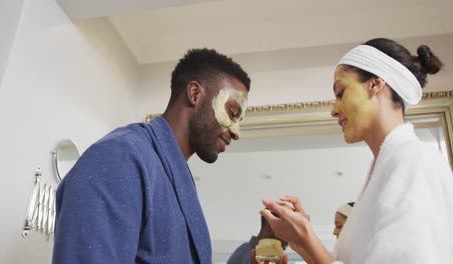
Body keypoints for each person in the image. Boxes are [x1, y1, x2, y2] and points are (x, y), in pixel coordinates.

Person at [260, 38, 453, 263]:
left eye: (340, 92)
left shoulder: (416, 161)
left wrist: (307, 237)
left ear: (376, 84)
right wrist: (302, 242)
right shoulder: (387, 171)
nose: (333, 110)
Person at [52, 48, 251, 263]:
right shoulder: (120, 157)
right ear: (194, 94)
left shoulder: (178, 182)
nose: (236, 132)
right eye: (232, 113)